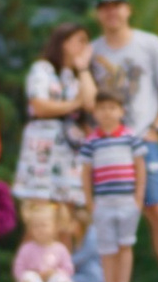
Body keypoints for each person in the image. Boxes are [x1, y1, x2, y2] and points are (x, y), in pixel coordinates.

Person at [89, 0, 158, 280]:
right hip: (106, 144)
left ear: (128, 9)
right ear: (98, 13)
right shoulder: (93, 51)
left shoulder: (149, 44)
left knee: (157, 209)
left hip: (142, 138)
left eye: (117, 5)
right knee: (107, 216)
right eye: (106, 7)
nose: (112, 11)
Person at [15, 22, 98, 215]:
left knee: (65, 216)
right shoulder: (43, 69)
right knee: (39, 216)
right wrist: (74, 104)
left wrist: (84, 69)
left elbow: (91, 103)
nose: (85, 46)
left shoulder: (77, 77)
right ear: (64, 43)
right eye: (80, 41)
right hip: (41, 149)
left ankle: (63, 247)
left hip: (69, 151)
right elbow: (39, 106)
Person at [76, 89, 145, 282]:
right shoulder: (91, 142)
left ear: (121, 111)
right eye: (102, 108)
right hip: (103, 202)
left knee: (125, 243)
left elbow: (140, 166)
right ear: (95, 113)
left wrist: (139, 197)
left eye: (112, 108)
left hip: (126, 200)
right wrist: (89, 201)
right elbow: (86, 172)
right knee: (106, 247)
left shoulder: (130, 137)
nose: (107, 112)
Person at [8, 201, 79, 282]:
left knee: (62, 281)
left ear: (55, 226)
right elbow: (18, 268)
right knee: (28, 277)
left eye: (44, 225)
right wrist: (31, 274)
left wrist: (54, 272)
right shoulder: (27, 248)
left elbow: (68, 269)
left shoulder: (60, 249)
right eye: (36, 226)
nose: (39, 229)